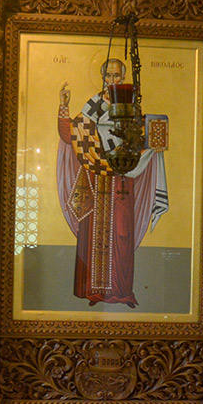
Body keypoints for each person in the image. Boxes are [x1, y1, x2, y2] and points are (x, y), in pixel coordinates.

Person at [56, 58, 168, 307]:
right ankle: (93, 291)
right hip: (95, 181)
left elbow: (141, 139)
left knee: (122, 233)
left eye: (118, 76)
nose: (113, 80)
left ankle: (122, 291)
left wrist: (152, 142)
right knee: (93, 235)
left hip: (121, 182)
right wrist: (64, 107)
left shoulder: (130, 108)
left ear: (124, 77)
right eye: (108, 75)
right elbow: (70, 135)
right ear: (102, 77)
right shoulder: (93, 106)